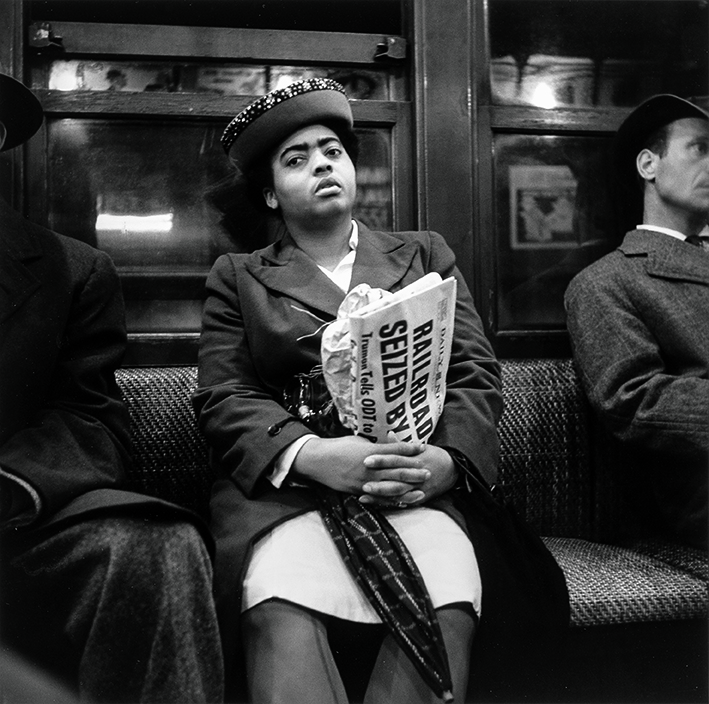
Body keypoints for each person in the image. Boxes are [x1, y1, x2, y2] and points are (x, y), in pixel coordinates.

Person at [193, 78, 568, 703]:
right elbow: (226, 396)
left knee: (446, 599)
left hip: (411, 480)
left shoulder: (424, 255)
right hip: (294, 490)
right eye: (296, 158)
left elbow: (473, 373)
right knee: (282, 606)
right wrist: (312, 455)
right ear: (268, 192)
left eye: (332, 151)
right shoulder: (239, 278)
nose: (321, 164)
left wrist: (446, 463)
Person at [0, 72, 224, 702]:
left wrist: (9, 489)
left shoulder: (69, 271)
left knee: (157, 549)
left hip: (20, 522)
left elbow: (88, 420)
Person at [565, 94, 709, 550]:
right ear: (649, 164)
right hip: (691, 497)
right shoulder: (606, 281)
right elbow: (632, 400)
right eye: (701, 148)